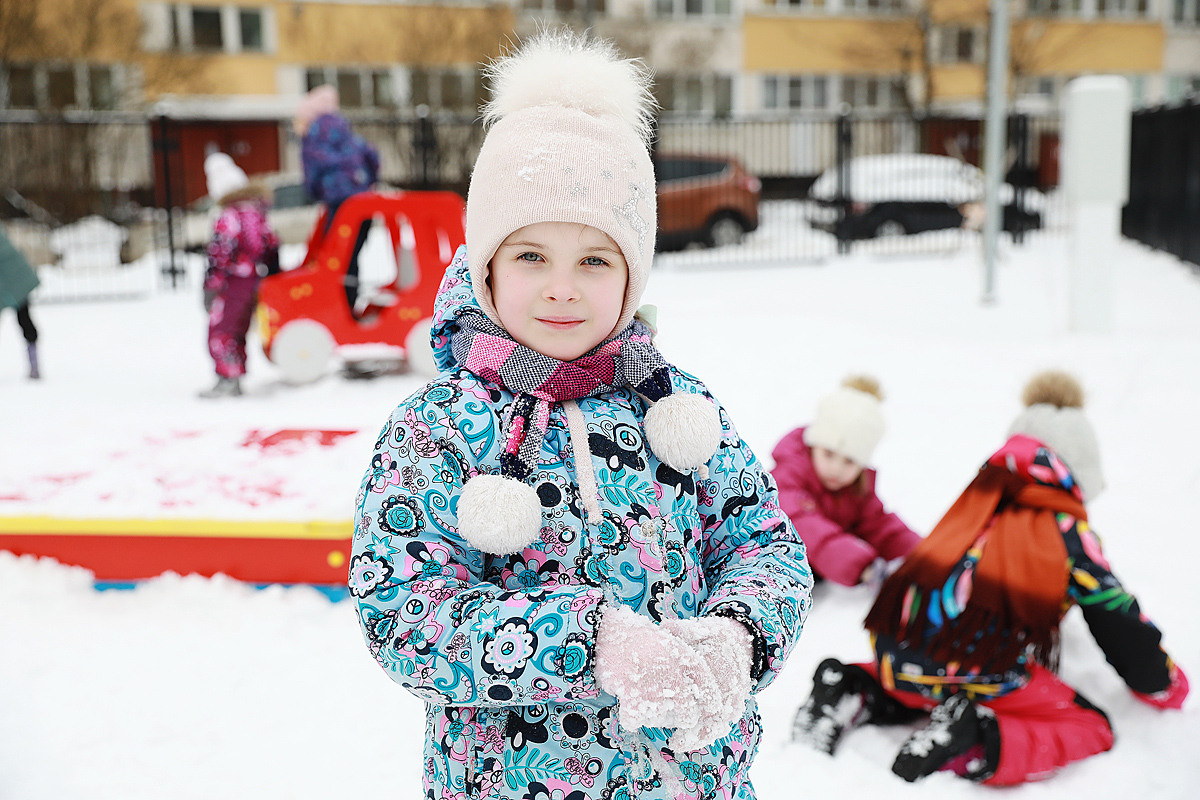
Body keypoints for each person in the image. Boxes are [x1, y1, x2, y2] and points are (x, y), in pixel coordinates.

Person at [348, 30, 812, 800]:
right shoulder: (437, 429)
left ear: (631, 274)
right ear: (487, 265)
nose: (562, 287)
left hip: (690, 780)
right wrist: (591, 643)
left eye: (595, 260)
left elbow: (765, 542)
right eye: (532, 256)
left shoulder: (677, 407)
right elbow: (404, 613)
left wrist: (739, 634)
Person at [792, 370, 1189, 786]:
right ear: (1076, 476)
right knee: (1091, 727)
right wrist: (1165, 684)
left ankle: (855, 688)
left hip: (898, 657)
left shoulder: (977, 499)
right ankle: (974, 739)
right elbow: (1118, 622)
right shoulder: (1065, 530)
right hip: (973, 670)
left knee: (925, 673)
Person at [771, 375, 920, 587]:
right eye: (829, 454)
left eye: (850, 461)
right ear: (813, 445)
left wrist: (921, 554)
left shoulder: (855, 488)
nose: (836, 469)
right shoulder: (788, 476)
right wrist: (863, 567)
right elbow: (803, 525)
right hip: (764, 560)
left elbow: (879, 525)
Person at [199, 152, 279, 398]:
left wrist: (210, 286)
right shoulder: (256, 214)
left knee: (221, 329)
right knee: (239, 328)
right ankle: (236, 371)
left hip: (231, 283)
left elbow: (220, 255)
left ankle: (228, 377)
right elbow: (272, 245)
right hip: (252, 281)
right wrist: (273, 274)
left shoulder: (228, 218)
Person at [295, 85, 379, 313]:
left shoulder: (313, 135)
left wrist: (314, 192)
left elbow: (311, 170)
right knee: (353, 254)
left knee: (334, 255)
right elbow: (373, 156)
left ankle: (336, 304)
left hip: (339, 204)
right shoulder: (347, 132)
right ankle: (351, 299)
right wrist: (366, 183)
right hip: (362, 204)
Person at [0, 224, 41, 380]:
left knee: (24, 320)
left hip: (15, 282)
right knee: (25, 319)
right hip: (13, 281)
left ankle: (34, 365)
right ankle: (34, 365)